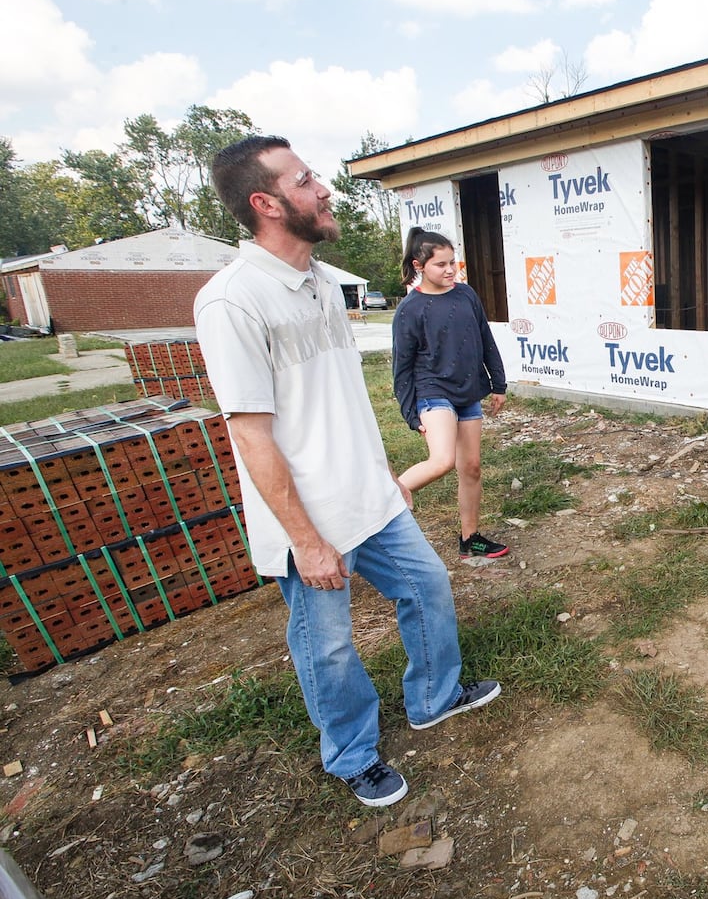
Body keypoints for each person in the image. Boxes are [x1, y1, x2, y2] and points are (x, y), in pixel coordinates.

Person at [194, 136, 500, 807]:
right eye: (305, 181)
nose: (324, 189)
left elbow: (334, 405)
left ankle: (433, 698)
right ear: (266, 203)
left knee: (427, 589)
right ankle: (351, 755)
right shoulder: (232, 302)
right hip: (310, 522)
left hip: (372, 496)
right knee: (328, 649)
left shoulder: (323, 285)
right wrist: (306, 541)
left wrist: (384, 476)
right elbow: (251, 435)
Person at [392, 227, 510, 559]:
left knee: (471, 467)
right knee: (442, 460)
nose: (449, 270)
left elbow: (486, 338)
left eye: (452, 262)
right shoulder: (409, 310)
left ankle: (470, 539)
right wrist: (411, 414)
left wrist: (498, 384)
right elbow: (402, 366)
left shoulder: (466, 295)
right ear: (419, 265)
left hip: (468, 391)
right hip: (433, 390)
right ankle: (382, 502)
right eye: (440, 264)